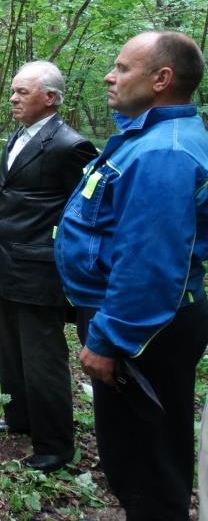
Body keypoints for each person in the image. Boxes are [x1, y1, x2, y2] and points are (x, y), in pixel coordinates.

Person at [55, 31, 208, 519]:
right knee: (135, 456)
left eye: (122, 68)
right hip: (129, 319)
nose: (109, 76)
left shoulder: (165, 152)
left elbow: (150, 262)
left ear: (161, 79)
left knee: (145, 466)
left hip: (141, 330)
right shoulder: (145, 138)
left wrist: (110, 338)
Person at [0, 61, 97, 472]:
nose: (13, 98)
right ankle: (19, 416)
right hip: (6, 259)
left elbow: (86, 212)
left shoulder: (71, 145)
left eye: (22, 92)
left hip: (39, 268)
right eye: (13, 91)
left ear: (50, 97)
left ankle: (54, 443)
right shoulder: (19, 134)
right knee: (10, 348)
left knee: (42, 357)